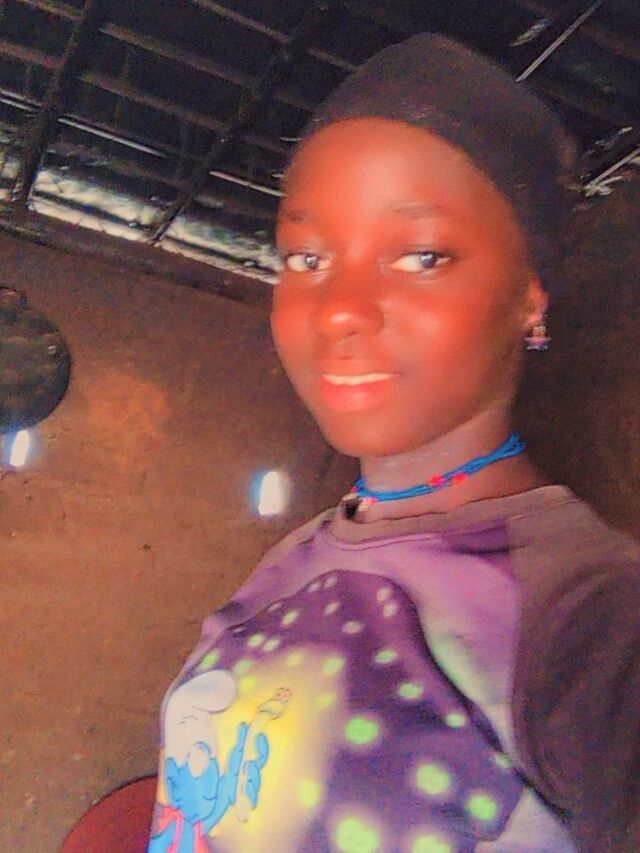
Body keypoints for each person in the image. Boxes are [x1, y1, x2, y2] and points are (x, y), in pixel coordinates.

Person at [146, 33, 640, 853]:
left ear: (529, 297)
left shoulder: (593, 618)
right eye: (307, 255)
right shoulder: (292, 562)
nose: (340, 307)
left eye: (421, 255)